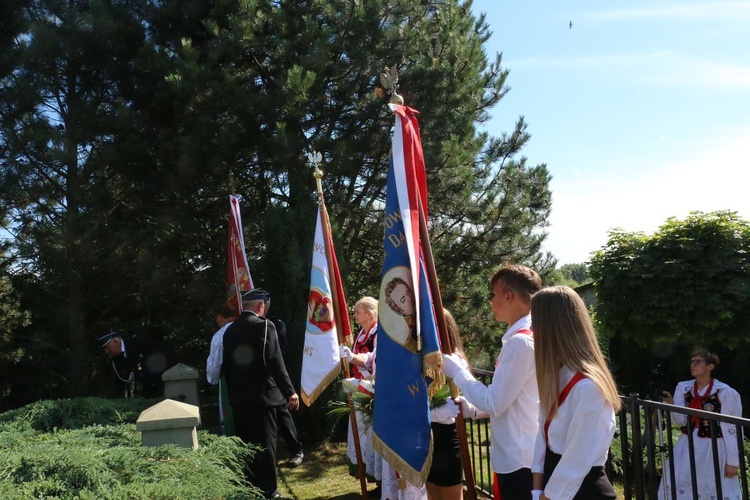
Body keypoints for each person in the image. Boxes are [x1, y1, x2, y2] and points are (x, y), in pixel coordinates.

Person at [441, 264, 542, 500]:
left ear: (509, 296)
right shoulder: (524, 337)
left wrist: (457, 371)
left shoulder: (521, 343)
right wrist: (474, 410)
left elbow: (496, 402)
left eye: (493, 294)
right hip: (519, 454)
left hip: (519, 459)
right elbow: (509, 398)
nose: (490, 301)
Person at [530, 285, 620, 500]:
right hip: (554, 485)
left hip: (581, 491)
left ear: (554, 326)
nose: (532, 329)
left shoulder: (588, 387)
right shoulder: (557, 376)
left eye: (536, 321)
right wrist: (536, 490)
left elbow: (577, 459)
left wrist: (547, 496)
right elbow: (542, 438)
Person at [222, 288, 299, 500]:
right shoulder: (265, 326)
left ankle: (249, 487)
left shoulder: (229, 331)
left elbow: (226, 367)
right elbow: (274, 361)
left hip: (239, 398)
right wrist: (289, 391)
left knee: (245, 445)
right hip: (262, 396)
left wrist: (232, 394)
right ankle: (269, 491)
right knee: (265, 445)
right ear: (261, 306)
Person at [658, 349, 742, 500]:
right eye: (692, 362)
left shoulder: (725, 392)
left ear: (710, 366)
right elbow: (680, 421)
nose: (693, 365)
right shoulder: (684, 388)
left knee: (714, 487)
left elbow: (732, 428)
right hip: (687, 445)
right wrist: (671, 406)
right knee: (678, 483)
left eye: (698, 362)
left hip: (714, 448)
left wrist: (733, 462)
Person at [427, 309, 478, 500]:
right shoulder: (425, 360)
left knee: (450, 495)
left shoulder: (455, 360)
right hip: (428, 435)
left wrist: (434, 413)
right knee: (432, 493)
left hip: (447, 437)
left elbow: (456, 405)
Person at [340, 297, 382, 487]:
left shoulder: (377, 334)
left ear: (370, 314)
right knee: (362, 437)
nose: (355, 315)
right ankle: (371, 478)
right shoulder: (360, 334)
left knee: (373, 436)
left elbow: (374, 363)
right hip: (360, 390)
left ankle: (381, 482)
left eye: (358, 311)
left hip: (373, 390)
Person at [266, 306, 305, 468]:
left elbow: (278, 355)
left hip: (274, 378)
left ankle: (296, 450)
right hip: (258, 382)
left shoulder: (274, 325)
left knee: (283, 414)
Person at [97, 330, 175, 398]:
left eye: (107, 347)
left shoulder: (138, 343)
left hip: (163, 384)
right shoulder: (117, 359)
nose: (106, 351)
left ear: (116, 341)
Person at [206, 299, 236, 435]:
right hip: (251, 380)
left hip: (229, 382)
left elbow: (214, 365)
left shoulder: (219, 336)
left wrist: (212, 379)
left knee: (231, 416)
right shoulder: (246, 328)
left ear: (219, 317)